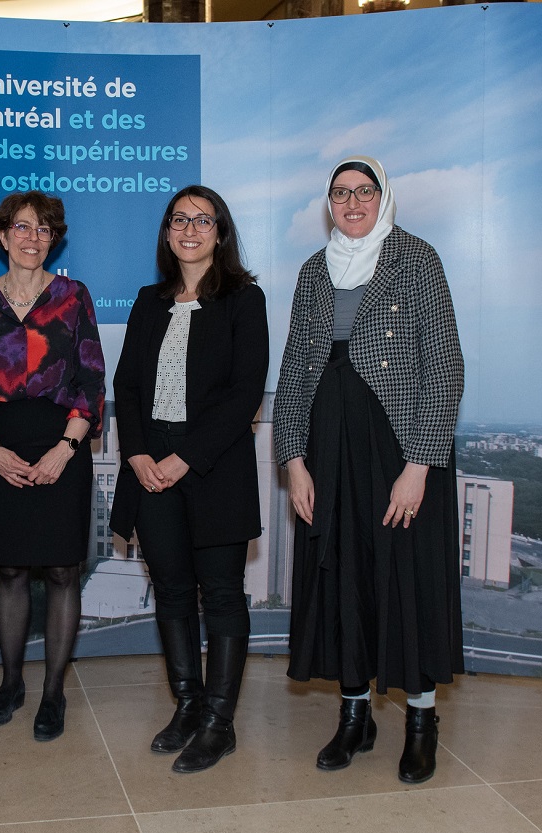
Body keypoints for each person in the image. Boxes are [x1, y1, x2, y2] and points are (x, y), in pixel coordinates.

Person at [272, 155, 464, 784]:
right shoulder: (311, 271)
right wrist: (294, 461)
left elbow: (444, 368)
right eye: (340, 193)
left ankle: (420, 723)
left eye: (363, 191)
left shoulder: (417, 259)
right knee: (341, 574)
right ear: (329, 204)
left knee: (407, 580)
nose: (351, 203)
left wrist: (420, 465)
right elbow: (296, 372)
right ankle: (355, 717)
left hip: (399, 449)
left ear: (384, 198)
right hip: (329, 449)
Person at [109, 185, 269, 773]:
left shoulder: (244, 301)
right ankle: (187, 705)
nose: (191, 229)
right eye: (180, 219)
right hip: (151, 467)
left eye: (204, 220)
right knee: (172, 591)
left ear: (220, 233)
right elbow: (126, 386)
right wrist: (138, 456)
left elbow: (244, 392)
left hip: (215, 466)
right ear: (168, 231)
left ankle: (219, 723)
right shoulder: (149, 302)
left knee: (222, 594)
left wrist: (188, 457)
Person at [0, 191, 105, 742]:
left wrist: (66, 448)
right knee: (11, 570)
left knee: (63, 571)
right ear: (2, 235)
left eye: (44, 229)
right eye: (22, 227)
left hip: (63, 440)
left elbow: (92, 382)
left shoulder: (74, 297)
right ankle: (11, 683)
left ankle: (53, 693)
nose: (32, 237)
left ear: (53, 238)